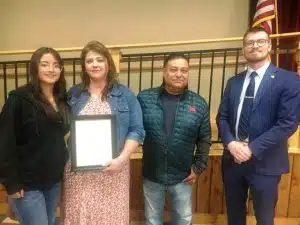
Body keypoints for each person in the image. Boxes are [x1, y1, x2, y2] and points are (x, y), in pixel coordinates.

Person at [216, 27, 300, 225]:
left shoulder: (289, 80)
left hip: (267, 162)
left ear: (269, 46)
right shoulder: (233, 82)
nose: (255, 46)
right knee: (234, 217)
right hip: (233, 161)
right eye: (249, 43)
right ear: (244, 48)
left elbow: (288, 123)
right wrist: (231, 144)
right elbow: (222, 117)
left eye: (260, 41)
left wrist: (251, 148)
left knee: (264, 218)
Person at [61, 40, 145, 225]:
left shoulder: (125, 94)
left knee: (110, 218)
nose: (95, 64)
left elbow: (137, 130)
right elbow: (62, 127)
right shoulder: (74, 94)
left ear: (108, 63)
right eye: (89, 61)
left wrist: (121, 159)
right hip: (79, 174)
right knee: (80, 216)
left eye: (99, 59)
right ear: (84, 66)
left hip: (113, 170)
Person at [137, 53, 211, 225]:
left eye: (184, 70)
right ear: (164, 72)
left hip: (183, 175)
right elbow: (134, 128)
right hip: (152, 173)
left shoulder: (198, 103)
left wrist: (198, 166)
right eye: (174, 69)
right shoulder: (144, 99)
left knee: (183, 220)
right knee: (153, 219)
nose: (179, 74)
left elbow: (205, 138)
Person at [0, 47, 70, 225]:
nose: (51, 69)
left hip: (53, 181)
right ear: (35, 68)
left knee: (51, 221)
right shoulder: (19, 99)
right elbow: (4, 142)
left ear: (61, 70)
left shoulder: (62, 99)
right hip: (27, 184)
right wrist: (12, 183)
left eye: (56, 65)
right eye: (44, 64)